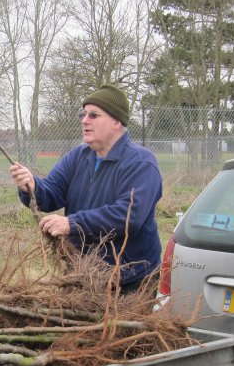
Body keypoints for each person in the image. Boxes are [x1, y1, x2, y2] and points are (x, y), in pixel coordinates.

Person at [10, 84, 162, 293]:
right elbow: (52, 192)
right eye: (83, 114)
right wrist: (31, 186)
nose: (84, 120)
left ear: (117, 121)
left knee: (123, 327)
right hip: (84, 273)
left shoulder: (141, 163)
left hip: (130, 279)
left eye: (94, 115)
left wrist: (73, 224)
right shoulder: (78, 157)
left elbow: (129, 215)